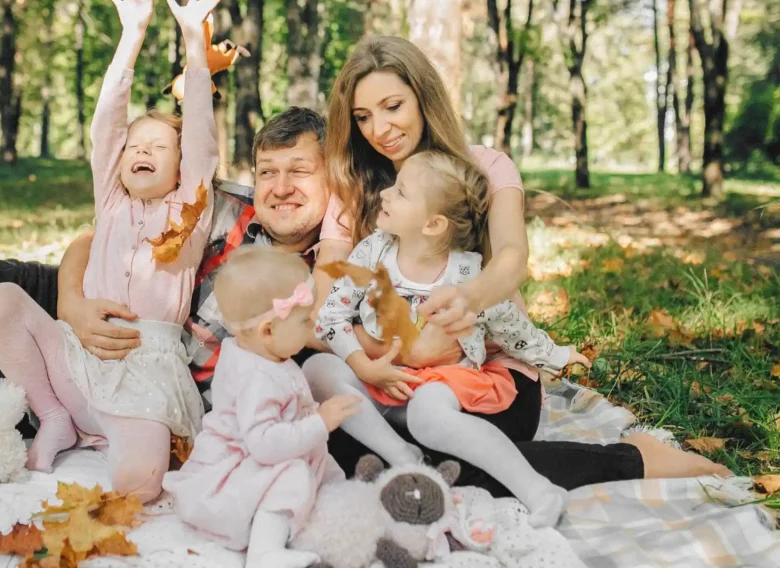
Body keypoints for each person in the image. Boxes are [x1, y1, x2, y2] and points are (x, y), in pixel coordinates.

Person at [0, 98, 725, 491]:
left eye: (302, 173)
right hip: (74, 303)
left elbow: (415, 409)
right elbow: (107, 204)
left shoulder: (342, 272)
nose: (280, 189)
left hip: (117, 383)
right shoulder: (219, 203)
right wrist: (72, 273)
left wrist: (627, 457)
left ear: (340, 187)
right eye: (269, 172)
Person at [308, 34, 731, 486]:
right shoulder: (353, 190)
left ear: (423, 98)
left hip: (483, 377)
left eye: (393, 106)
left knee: (437, 454)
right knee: (337, 442)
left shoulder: (485, 167)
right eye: (363, 117)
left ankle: (633, 459)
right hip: (383, 379)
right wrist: (405, 350)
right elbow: (320, 314)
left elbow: (512, 259)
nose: (379, 129)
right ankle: (434, 462)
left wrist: (465, 301)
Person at [0, 0, 221, 502]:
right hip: (77, 363)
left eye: (158, 145)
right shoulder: (110, 203)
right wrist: (131, 36)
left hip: (144, 378)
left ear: (182, 167)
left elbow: (201, 131)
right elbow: (106, 123)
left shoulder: (191, 208)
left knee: (138, 486)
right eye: (134, 145)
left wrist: (195, 43)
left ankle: (108, 438)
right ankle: (55, 417)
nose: (140, 151)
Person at [307, 151, 591, 527]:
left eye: (401, 192)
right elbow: (330, 317)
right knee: (317, 370)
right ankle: (405, 458)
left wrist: (556, 355)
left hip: (444, 382)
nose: (385, 194)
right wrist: (364, 366)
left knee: (427, 411)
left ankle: (539, 490)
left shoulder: (464, 272)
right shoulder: (371, 253)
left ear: (433, 224)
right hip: (383, 375)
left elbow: (510, 325)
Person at [163, 247, 356, 568]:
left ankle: (340, 504)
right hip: (238, 474)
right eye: (305, 321)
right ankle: (265, 551)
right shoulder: (256, 378)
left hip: (268, 456)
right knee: (294, 472)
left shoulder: (261, 354)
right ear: (268, 331)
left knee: (317, 459)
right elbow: (265, 446)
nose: (313, 326)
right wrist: (319, 422)